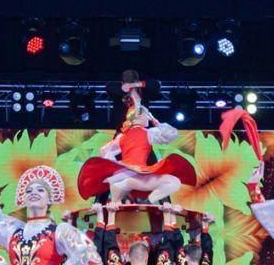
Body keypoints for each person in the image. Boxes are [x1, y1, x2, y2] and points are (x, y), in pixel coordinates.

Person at [76, 72, 196, 205]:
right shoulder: (119, 94)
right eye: (128, 82)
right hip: (123, 136)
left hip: (141, 137)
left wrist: (137, 85)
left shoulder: (144, 95)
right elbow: (109, 86)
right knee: (109, 170)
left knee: (155, 169)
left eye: (134, 82)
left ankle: (165, 203)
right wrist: (126, 88)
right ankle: (99, 203)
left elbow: (156, 85)